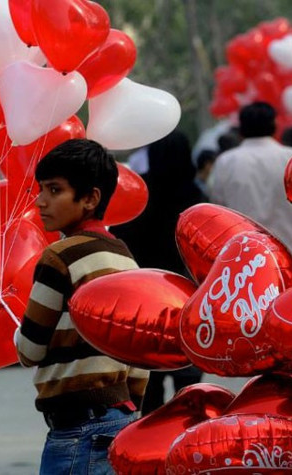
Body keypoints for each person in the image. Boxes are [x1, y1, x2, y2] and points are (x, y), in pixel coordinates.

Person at [15, 138, 150, 475]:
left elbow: (29, 350)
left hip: (75, 432)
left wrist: (19, 332)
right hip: (121, 421)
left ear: (90, 198)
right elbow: (139, 353)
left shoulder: (59, 258)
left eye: (54, 190)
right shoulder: (124, 256)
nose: (40, 200)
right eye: (41, 189)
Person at [111, 131, 205, 415]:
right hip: (188, 296)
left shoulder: (142, 194)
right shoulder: (195, 197)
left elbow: (121, 235)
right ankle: (186, 428)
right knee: (188, 375)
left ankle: (153, 434)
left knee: (149, 375)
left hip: (147, 296)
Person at [208, 102, 292, 274]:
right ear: (274, 125)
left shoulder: (226, 162)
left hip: (245, 262)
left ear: (241, 128)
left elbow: (218, 210)